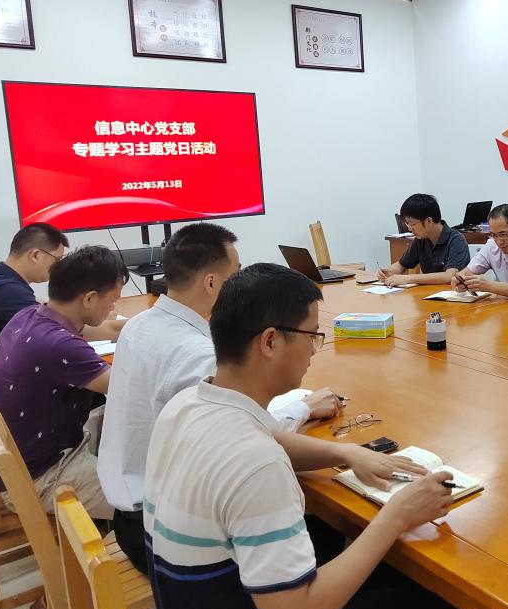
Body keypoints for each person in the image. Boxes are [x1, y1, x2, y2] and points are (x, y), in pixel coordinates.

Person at [144, 264, 471, 609]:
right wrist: (396, 516)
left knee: (385, 571)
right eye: (312, 335)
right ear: (270, 342)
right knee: (447, 606)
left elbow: (274, 437)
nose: (315, 349)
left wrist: (347, 453)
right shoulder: (258, 464)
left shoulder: (187, 403)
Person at [98, 223, 343, 574]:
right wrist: (303, 407)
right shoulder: (196, 353)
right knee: (327, 531)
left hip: (130, 510)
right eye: (236, 274)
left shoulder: (140, 324)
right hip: (156, 528)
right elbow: (246, 435)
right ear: (212, 283)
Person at [0, 246, 127, 519]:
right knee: (151, 502)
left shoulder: (31, 316)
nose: (113, 308)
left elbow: (110, 329)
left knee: (113, 424)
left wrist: (156, 322)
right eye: (113, 301)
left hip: (33, 456)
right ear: (89, 299)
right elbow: (129, 388)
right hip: (44, 477)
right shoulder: (58, 345)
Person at [0, 223, 124, 368]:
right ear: (36, 255)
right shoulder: (8, 293)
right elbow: (64, 327)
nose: (59, 267)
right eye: (57, 260)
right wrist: (133, 326)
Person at [378, 194, 470, 286]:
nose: (409, 229)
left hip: (451, 292)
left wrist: (408, 278)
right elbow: (401, 265)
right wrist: (388, 272)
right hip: (427, 292)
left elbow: (450, 276)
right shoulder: (421, 239)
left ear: (429, 221)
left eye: (412, 224)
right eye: (407, 224)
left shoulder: (456, 239)